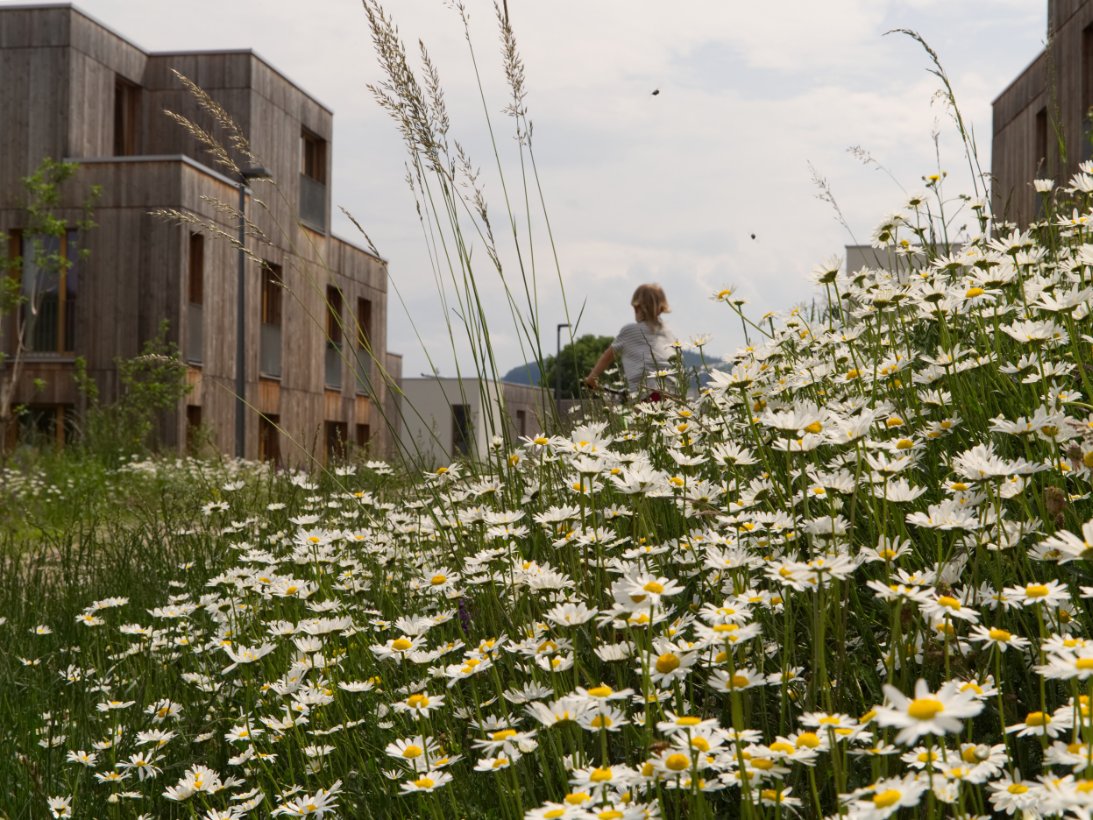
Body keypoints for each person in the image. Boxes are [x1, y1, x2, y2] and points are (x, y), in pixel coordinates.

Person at [583, 283, 675, 400]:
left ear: (638, 308)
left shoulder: (630, 331)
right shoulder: (668, 332)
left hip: (650, 394)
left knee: (640, 416)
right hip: (674, 395)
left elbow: (607, 357)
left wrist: (591, 379)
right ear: (661, 309)